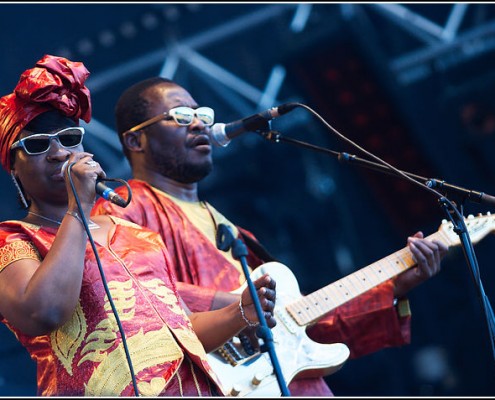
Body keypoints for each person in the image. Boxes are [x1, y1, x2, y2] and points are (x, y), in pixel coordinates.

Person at [91, 76, 449, 396]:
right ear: (135, 140)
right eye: (182, 116)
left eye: (202, 113)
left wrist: (394, 286)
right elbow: (129, 294)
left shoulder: (233, 229)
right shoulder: (123, 209)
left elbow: (300, 322)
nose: (199, 123)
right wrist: (236, 307)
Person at [0, 55, 277, 397]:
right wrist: (78, 209)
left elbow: (182, 329)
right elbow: (42, 311)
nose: (59, 152)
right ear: (13, 167)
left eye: (70, 138)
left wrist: (239, 314)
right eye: (38, 145)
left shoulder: (134, 234)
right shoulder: (12, 239)